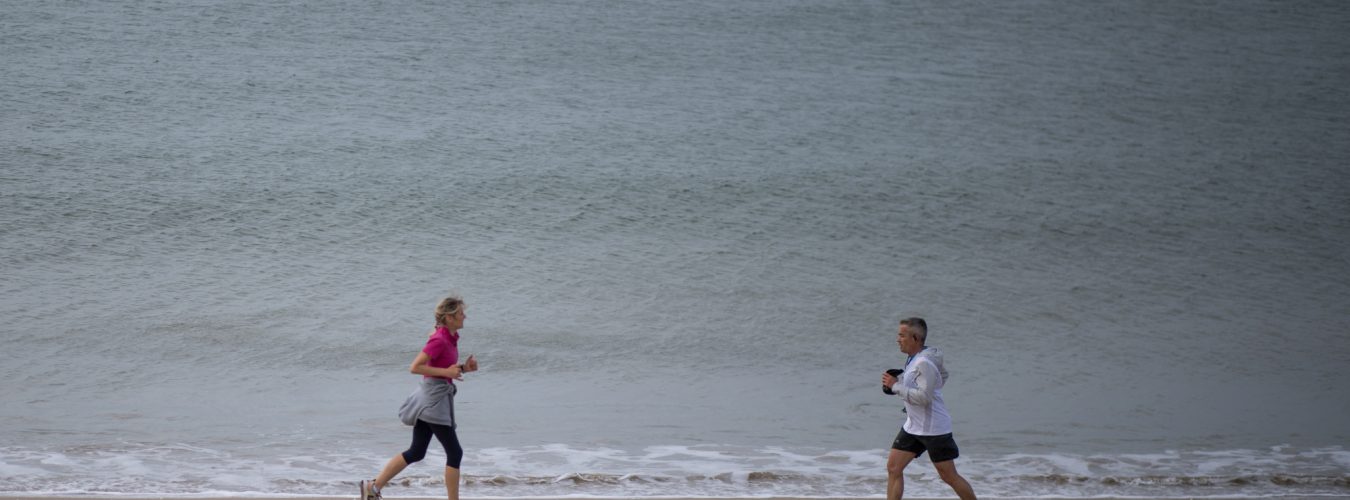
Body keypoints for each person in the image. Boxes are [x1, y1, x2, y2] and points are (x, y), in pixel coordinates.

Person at [360, 295, 480, 500]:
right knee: (455, 453)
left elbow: (442, 367)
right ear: (450, 317)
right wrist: (448, 373)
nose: (464, 316)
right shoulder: (440, 339)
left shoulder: (449, 337)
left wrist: (462, 369)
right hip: (434, 401)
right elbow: (415, 367)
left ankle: (372, 487)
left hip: (434, 398)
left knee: (417, 451)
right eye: (460, 313)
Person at [880, 317, 977, 500]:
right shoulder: (914, 357)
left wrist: (896, 387)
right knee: (894, 468)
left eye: (901, 335)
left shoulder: (923, 362)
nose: (897, 339)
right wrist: (902, 386)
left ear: (915, 338)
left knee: (949, 476)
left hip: (934, 429)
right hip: (913, 425)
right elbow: (943, 375)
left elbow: (924, 398)